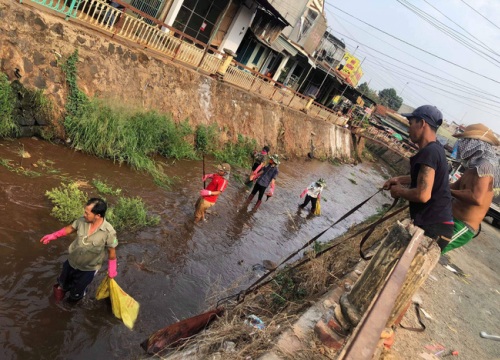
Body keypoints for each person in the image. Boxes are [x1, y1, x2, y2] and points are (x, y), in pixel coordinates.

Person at [383, 105, 454, 245]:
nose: (408, 129)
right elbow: (425, 179)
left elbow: (423, 194)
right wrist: (398, 179)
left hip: (433, 227)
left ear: (422, 123)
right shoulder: (437, 148)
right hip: (439, 225)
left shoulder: (430, 152)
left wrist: (399, 191)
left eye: (411, 124)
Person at [40, 198, 118, 302]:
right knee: (61, 286)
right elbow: (69, 229)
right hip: (71, 262)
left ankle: (70, 307)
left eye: (87, 213)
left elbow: (111, 252)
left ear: (98, 216)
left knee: (76, 295)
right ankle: (57, 305)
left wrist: (112, 270)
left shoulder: (109, 232)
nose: (84, 215)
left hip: (88, 269)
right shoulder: (82, 221)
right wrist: (53, 235)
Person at [441, 123, 500, 253]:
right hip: (450, 216)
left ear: (475, 143)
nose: (461, 145)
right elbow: (454, 187)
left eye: (465, 141)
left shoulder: (485, 166)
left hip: (462, 226)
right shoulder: (472, 166)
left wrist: (446, 190)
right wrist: (438, 186)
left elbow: (476, 198)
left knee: (430, 249)